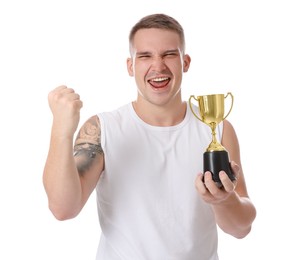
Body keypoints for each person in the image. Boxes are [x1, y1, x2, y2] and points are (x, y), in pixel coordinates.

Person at [43, 13, 256, 260]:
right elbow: (62, 208)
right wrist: (61, 129)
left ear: (185, 62)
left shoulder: (218, 129)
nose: (158, 66)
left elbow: (242, 228)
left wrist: (223, 201)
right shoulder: (104, 129)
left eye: (169, 54)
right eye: (145, 56)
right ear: (130, 66)